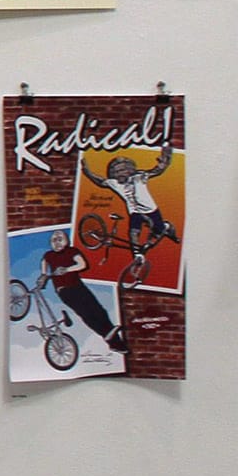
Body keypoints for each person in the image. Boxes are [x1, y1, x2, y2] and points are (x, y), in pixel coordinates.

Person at [87, 145, 179, 282]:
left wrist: (166, 160)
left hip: (150, 210)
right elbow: (100, 181)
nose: (119, 174)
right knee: (133, 232)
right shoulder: (114, 183)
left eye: (122, 170)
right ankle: (137, 255)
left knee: (159, 230)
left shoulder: (139, 177)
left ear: (130, 170)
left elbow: (157, 170)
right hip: (135, 212)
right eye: (116, 171)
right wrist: (87, 171)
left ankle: (168, 229)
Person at [41, 230, 126, 353]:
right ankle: (107, 335)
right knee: (86, 313)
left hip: (78, 287)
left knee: (99, 310)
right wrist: (44, 275)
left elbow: (82, 264)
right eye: (54, 240)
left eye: (60, 239)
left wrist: (67, 269)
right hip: (64, 291)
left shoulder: (72, 251)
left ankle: (116, 343)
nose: (57, 242)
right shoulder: (49, 255)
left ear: (66, 241)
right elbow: (44, 261)